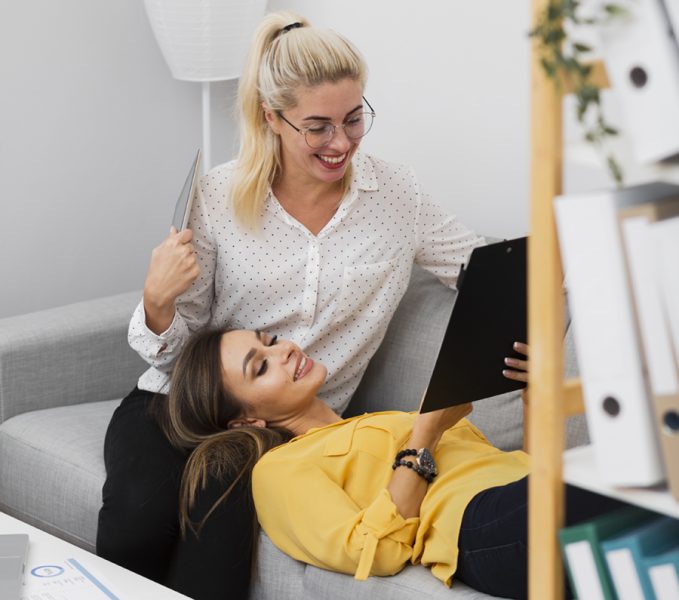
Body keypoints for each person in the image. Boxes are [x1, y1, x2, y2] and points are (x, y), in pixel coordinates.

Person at [97, 10, 488, 599]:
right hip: (178, 400)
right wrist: (157, 302)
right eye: (318, 126)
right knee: (139, 517)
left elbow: (484, 270)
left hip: (282, 426)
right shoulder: (220, 197)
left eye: (355, 119)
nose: (341, 143)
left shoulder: (395, 194)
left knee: (225, 492)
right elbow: (183, 344)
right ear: (271, 117)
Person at [156, 327, 623, 600]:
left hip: (524, 494)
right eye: (261, 366)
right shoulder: (278, 470)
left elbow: (524, 467)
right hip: (479, 528)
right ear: (247, 419)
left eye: (271, 340)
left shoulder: (379, 418)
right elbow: (371, 554)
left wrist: (533, 393)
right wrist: (425, 433)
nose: (285, 351)